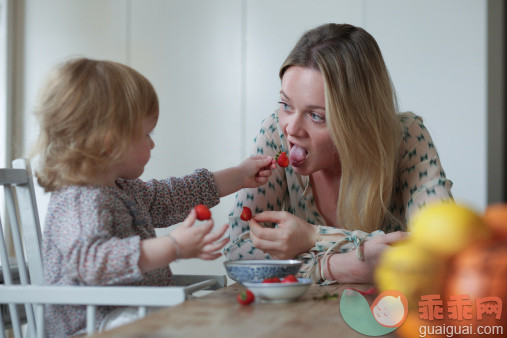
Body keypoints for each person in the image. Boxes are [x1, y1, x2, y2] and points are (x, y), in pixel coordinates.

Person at [32, 57, 276, 337]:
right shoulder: (77, 201)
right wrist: (172, 247)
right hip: (90, 325)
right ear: (111, 142)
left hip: (130, 312)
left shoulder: (121, 188)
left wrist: (238, 175)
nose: (153, 143)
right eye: (147, 133)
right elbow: (93, 263)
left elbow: (170, 195)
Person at [224, 23, 453, 284]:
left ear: (357, 120)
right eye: (286, 105)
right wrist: (331, 266)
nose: (291, 127)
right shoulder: (274, 135)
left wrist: (314, 237)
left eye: (316, 116)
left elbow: (443, 247)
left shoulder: (407, 137)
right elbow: (239, 252)